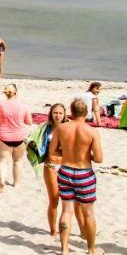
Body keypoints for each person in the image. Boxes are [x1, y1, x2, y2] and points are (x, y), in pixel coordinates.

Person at [52, 97, 103, 255]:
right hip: (84, 173)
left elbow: (53, 152)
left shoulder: (61, 128)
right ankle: (91, 249)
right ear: (86, 112)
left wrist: (66, 153)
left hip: (66, 170)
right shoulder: (91, 131)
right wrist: (88, 156)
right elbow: (99, 158)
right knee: (88, 213)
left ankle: (65, 249)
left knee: (66, 211)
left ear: (71, 112)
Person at [0, 82, 32, 192]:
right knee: (18, 161)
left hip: (3, 135)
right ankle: (17, 184)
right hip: (20, 136)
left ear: (5, 93)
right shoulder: (23, 105)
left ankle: (2, 181)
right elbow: (29, 122)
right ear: (16, 92)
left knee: (2, 161)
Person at [38, 103, 69, 239]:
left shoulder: (69, 128)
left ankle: (76, 229)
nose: (58, 115)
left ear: (64, 114)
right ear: (51, 114)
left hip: (66, 166)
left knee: (70, 202)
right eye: (55, 113)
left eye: (60, 113)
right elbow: (35, 141)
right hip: (50, 166)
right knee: (54, 199)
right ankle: (52, 230)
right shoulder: (46, 128)